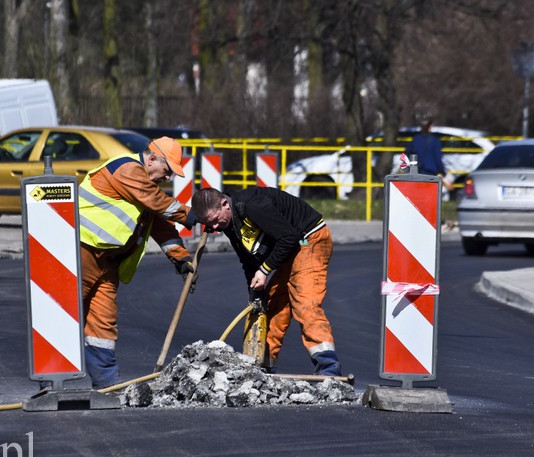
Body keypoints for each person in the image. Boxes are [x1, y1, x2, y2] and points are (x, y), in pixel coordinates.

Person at [78, 136, 196, 388]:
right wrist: (193, 214)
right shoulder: (127, 168)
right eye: (167, 171)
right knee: (66, 313)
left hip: (109, 263)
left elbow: (161, 227)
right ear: (152, 158)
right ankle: (52, 377)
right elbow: (158, 203)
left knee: (103, 323)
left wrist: (181, 259)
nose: (168, 178)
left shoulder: (143, 185)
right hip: (83, 252)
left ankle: (107, 385)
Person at [191, 187, 342, 376]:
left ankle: (328, 368)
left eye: (214, 220)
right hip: (290, 249)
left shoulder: (252, 205)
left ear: (224, 204)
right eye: (208, 224)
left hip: (309, 239)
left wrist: (264, 270)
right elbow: (248, 260)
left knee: (305, 303)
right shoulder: (227, 223)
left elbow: (289, 237)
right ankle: (263, 369)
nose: (213, 228)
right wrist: (255, 294)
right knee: (269, 308)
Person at [404, 119, 454, 191]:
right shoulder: (435, 141)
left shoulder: (415, 140)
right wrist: (442, 172)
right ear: (430, 127)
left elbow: (407, 154)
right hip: (431, 172)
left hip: (417, 171)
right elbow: (437, 159)